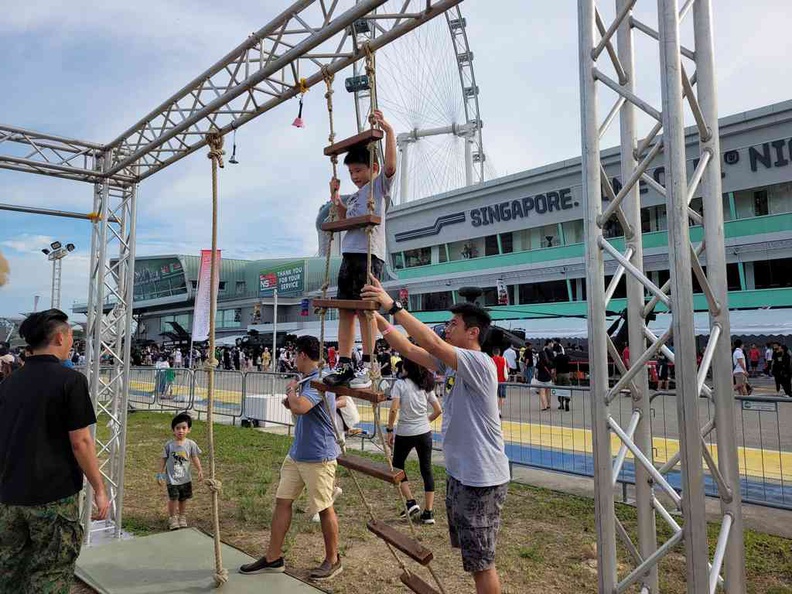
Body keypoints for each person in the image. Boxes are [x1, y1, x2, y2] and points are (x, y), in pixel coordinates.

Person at [362, 278, 509, 594]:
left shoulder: (479, 363)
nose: (446, 328)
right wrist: (377, 319)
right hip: (462, 475)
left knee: (482, 564)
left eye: (453, 324)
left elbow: (429, 341)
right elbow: (410, 348)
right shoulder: (455, 364)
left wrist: (393, 305)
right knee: (473, 560)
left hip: (481, 479)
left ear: (473, 333)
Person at [0, 309, 109, 592]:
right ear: (60, 337)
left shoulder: (8, 384)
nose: (72, 341)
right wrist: (99, 488)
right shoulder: (70, 381)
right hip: (53, 498)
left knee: (9, 569)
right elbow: (81, 441)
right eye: (72, 335)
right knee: (51, 572)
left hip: (9, 497)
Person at [240, 336, 342, 580]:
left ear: (303, 355)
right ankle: (273, 557)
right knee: (282, 501)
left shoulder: (320, 379)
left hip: (319, 456)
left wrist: (291, 391)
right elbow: (296, 405)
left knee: (324, 507)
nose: (293, 358)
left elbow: (300, 407)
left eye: (295, 354)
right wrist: (293, 397)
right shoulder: (307, 380)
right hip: (298, 453)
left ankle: (333, 560)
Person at [323, 110, 397, 390]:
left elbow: (390, 166)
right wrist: (335, 196)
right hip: (349, 256)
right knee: (345, 310)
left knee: (366, 310)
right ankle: (344, 362)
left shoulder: (379, 186)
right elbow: (343, 220)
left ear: (372, 168)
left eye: (359, 170)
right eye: (351, 172)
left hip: (368, 257)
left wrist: (388, 131)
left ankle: (368, 363)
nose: (355, 176)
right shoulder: (355, 196)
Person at [387, 358, 442, 525]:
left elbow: (394, 408)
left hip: (405, 431)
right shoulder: (425, 384)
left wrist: (389, 429)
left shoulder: (400, 384)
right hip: (424, 431)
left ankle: (410, 501)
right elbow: (438, 410)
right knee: (426, 469)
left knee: (397, 466)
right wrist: (425, 420)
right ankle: (429, 511)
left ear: (407, 367)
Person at [157, 413, 203, 530]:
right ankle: (172, 518)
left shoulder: (191, 444)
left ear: (189, 430)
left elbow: (194, 457)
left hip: (186, 479)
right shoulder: (169, 445)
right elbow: (163, 459)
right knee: (173, 499)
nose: (181, 431)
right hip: (172, 480)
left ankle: (182, 516)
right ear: (173, 430)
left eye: (184, 428)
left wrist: (199, 470)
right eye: (177, 428)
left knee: (183, 499)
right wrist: (159, 474)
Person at [535, 340, 555, 411]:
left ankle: (544, 406)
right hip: (548, 378)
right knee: (548, 392)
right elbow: (552, 371)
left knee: (542, 393)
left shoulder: (539, 363)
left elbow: (536, 371)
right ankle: (549, 404)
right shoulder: (550, 363)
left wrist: (536, 376)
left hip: (541, 379)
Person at [553, 343, 572, 411]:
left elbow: (554, 368)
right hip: (566, 374)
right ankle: (567, 400)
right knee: (567, 388)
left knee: (559, 389)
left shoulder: (556, 358)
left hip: (559, 374)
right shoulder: (567, 356)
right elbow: (570, 363)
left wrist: (554, 376)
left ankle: (561, 404)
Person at [491, 347, 509, 417]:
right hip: (502, 381)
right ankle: (499, 411)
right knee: (502, 397)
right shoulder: (504, 359)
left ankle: (493, 411)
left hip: (493, 381)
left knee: (493, 396)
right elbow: (508, 370)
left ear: (493, 353)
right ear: (499, 352)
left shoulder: (490, 360)